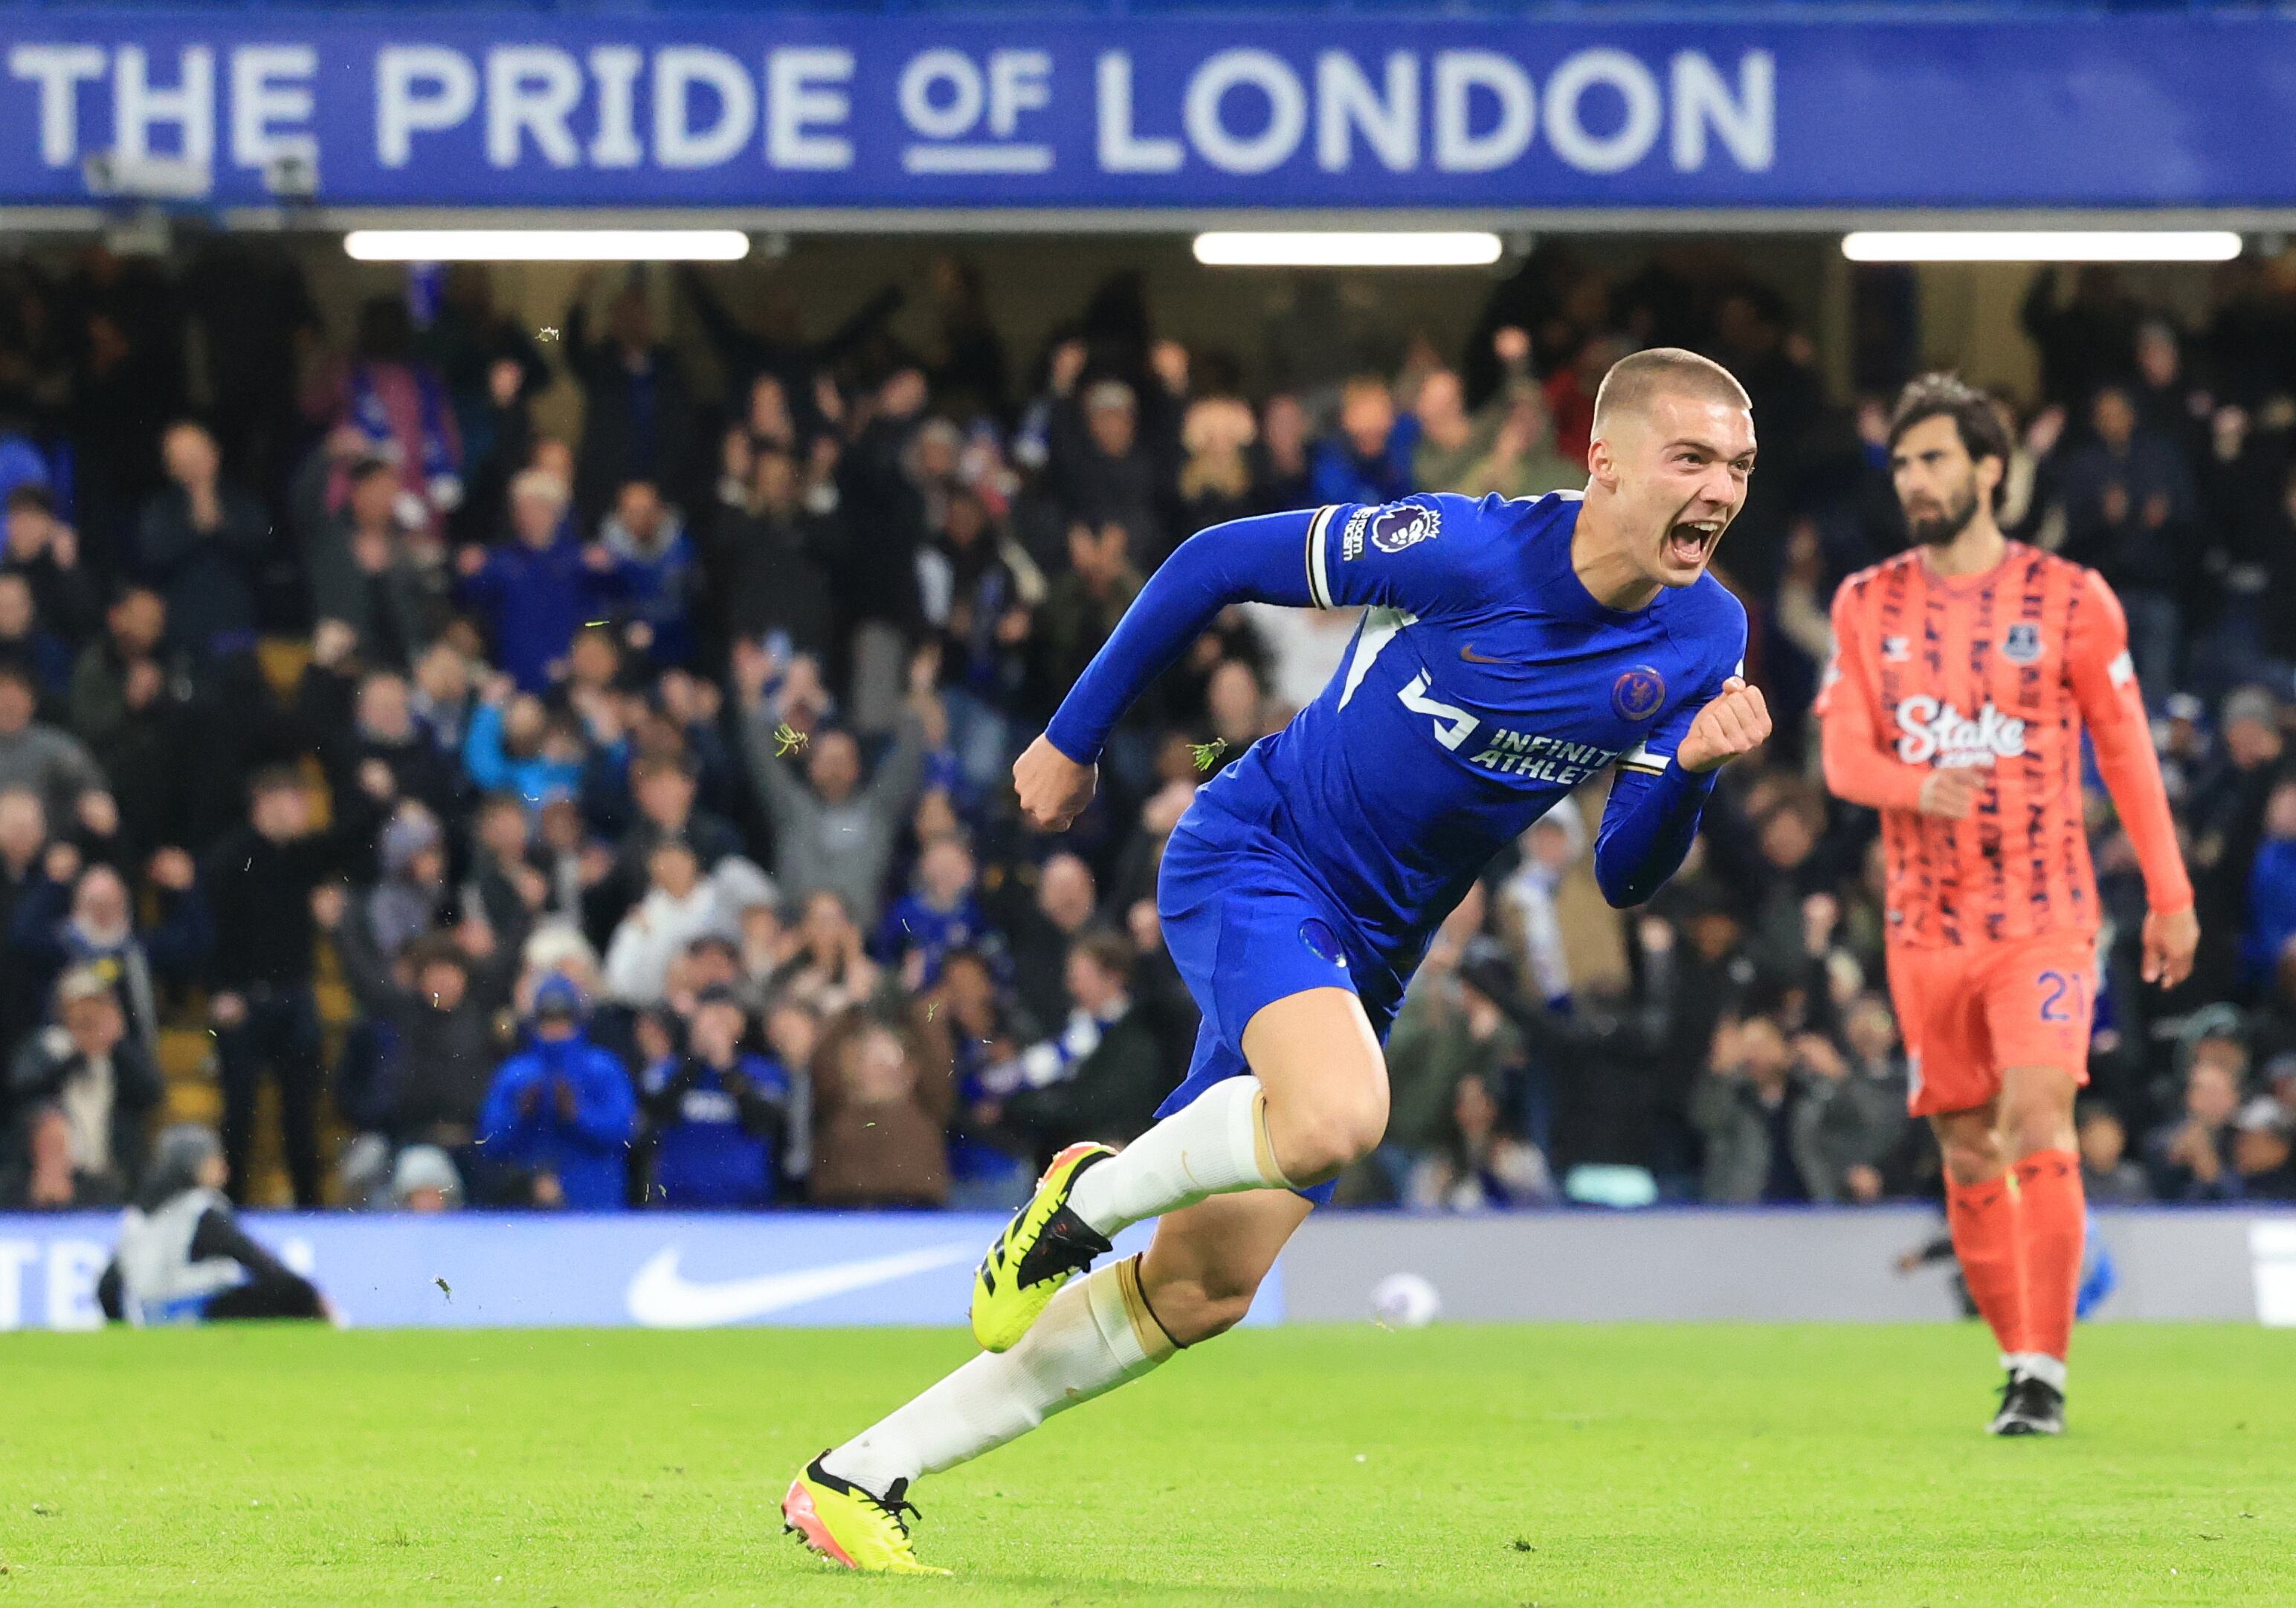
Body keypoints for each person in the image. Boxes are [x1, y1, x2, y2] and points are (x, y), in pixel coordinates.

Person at [782, 347, 1771, 1571]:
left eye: (1735, 464)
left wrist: (1687, 775)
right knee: (1340, 1111)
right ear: (1603, 460)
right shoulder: (1462, 548)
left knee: (1203, 1284)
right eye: (1690, 458)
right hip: (1259, 857)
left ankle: (854, 1475)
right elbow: (1209, 563)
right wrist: (1069, 738)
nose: (1718, 489)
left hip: (1372, 948)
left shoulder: (1705, 629)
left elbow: (1621, 871)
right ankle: (1085, 1196)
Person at [1815, 373, 2197, 1438]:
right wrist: (1910, 784)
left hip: (2044, 909)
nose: (1915, 480)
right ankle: (2016, 1355)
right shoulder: (1865, 603)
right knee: (1968, 1148)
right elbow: (1843, 753)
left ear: (1991, 469)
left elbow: (2125, 751)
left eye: (1935, 458)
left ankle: (2044, 1371)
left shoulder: (2073, 600)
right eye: (1902, 462)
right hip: (1923, 924)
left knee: (2039, 1117)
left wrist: (2170, 893)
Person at [96, 1126, 332, 1324]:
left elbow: (107, 1287)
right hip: (199, 1312)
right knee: (295, 1294)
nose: (224, 1168)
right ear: (196, 1164)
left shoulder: (137, 1213)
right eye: (215, 1159)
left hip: (151, 1316)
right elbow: (254, 1258)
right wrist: (309, 1295)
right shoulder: (199, 1209)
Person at [476, 975, 637, 1209]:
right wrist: (520, 1114)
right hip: (527, 1199)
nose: (555, 1030)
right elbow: (490, 1141)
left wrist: (578, 1115)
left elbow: (624, 1131)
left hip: (594, 1198)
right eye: (547, 1021)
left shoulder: (602, 1067)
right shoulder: (516, 1073)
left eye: (564, 1021)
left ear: (578, 1022)